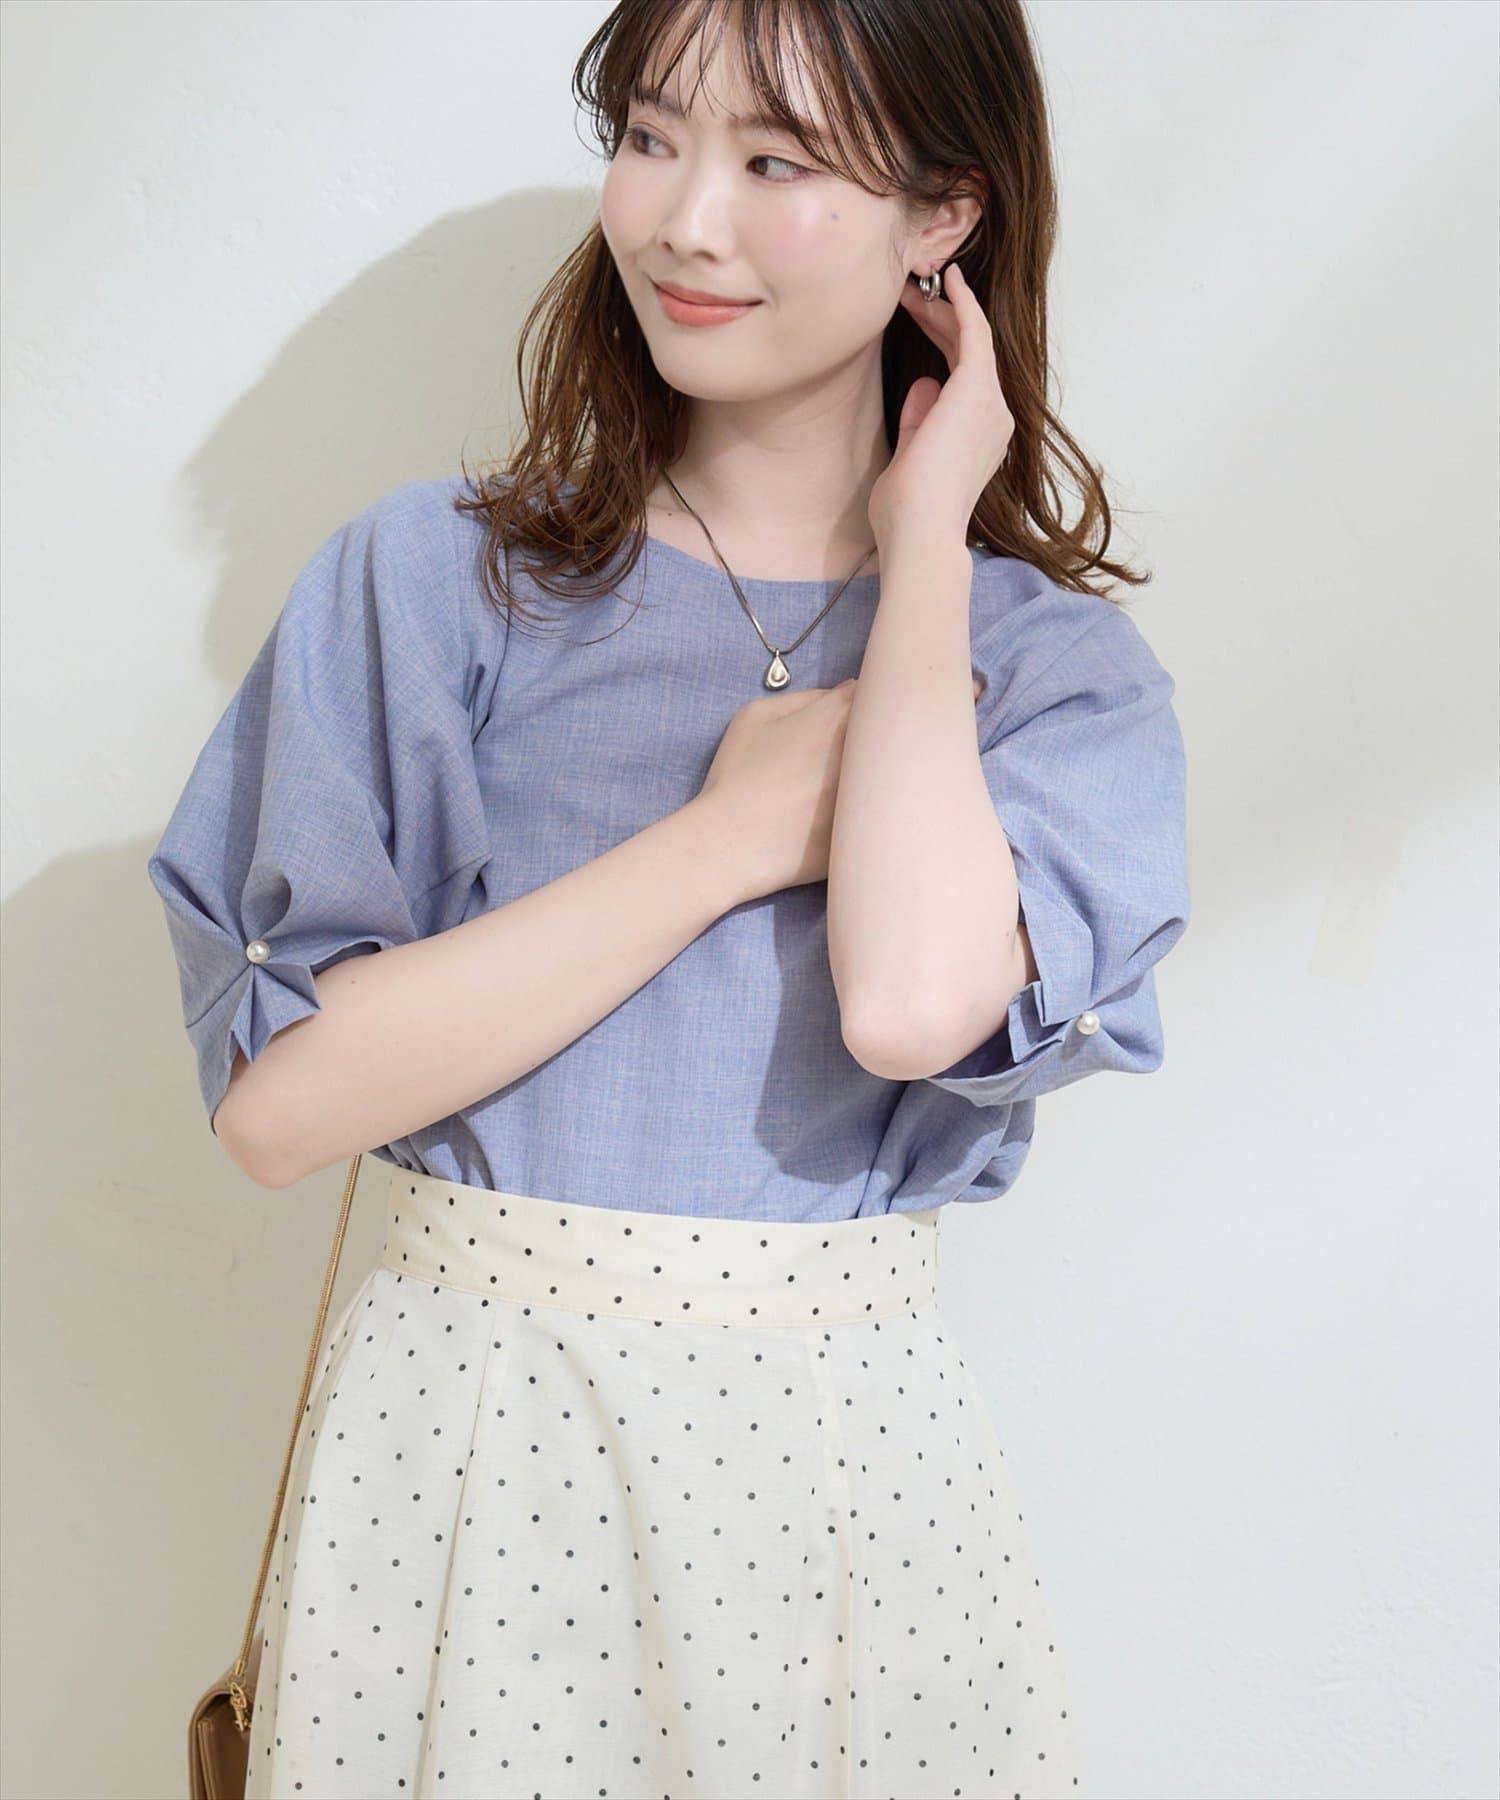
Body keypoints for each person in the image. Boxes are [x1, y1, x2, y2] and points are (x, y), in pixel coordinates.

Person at [148, 2, 1190, 1794]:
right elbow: (280, 1104)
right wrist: (727, 838)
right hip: (469, 1452)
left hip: (844, 1493)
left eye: (777, 160)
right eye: (649, 136)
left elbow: (911, 1008)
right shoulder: (435, 583)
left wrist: (926, 549)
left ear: (946, 216)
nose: (685, 221)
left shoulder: (1052, 677)